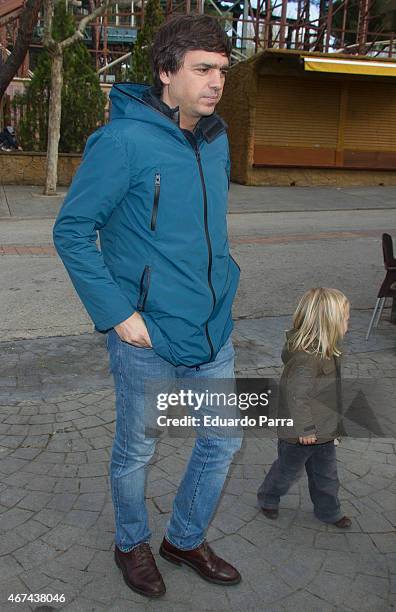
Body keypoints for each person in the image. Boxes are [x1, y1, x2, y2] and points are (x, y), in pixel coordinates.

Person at [53, 15, 242, 599]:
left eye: (223, 71)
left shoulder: (217, 138)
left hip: (212, 328)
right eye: (203, 69)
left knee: (224, 439)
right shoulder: (122, 141)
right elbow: (72, 231)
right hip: (147, 334)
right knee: (138, 446)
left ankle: (183, 538)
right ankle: (131, 540)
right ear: (166, 72)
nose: (216, 82)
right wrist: (118, 316)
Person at [257, 288, 352, 528]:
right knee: (287, 471)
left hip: (324, 431)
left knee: (326, 476)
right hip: (300, 434)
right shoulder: (307, 359)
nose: (348, 322)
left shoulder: (327, 349)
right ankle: (268, 497)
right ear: (328, 323)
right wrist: (306, 429)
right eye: (346, 318)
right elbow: (297, 396)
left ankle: (328, 511)